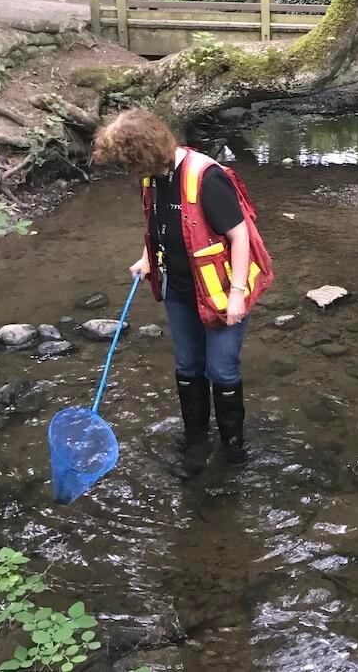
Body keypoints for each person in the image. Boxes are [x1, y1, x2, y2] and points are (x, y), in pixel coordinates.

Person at [92, 109, 273, 465]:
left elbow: (240, 237)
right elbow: (159, 224)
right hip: (179, 289)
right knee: (188, 367)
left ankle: (233, 448)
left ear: (143, 155)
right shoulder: (153, 177)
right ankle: (196, 441)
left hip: (221, 292)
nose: (127, 172)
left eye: (127, 163)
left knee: (221, 369)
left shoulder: (206, 178)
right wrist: (147, 257)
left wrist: (237, 293)